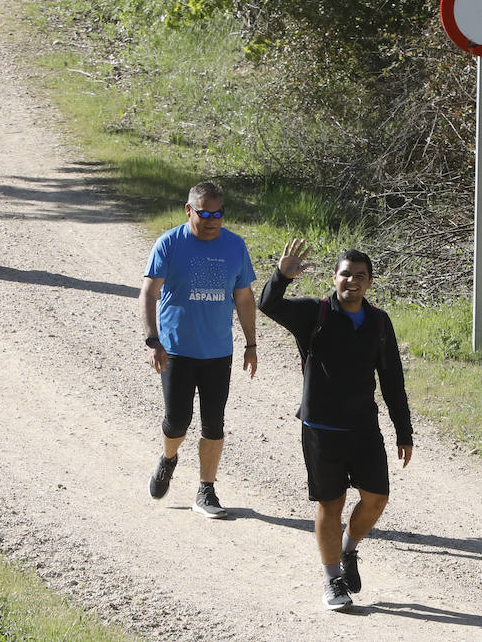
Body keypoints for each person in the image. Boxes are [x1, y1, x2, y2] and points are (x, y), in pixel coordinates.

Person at [258, 238, 413, 611]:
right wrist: (281, 276)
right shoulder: (315, 313)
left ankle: (349, 550)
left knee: (376, 498)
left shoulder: (378, 321)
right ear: (335, 277)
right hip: (321, 428)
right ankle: (332, 581)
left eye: (360, 276)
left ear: (370, 282)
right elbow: (268, 304)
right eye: (346, 274)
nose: (352, 281)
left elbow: (392, 379)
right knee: (331, 504)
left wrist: (403, 430)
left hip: (363, 428)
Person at [142, 182, 258, 519]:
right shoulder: (169, 244)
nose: (211, 219)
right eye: (204, 213)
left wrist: (251, 345)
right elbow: (149, 293)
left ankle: (206, 489)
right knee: (177, 421)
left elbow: (244, 298)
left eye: (217, 213)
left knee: (214, 423)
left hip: (218, 351)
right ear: (189, 210)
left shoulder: (235, 246)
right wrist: (152, 339)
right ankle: (168, 458)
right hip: (176, 349)